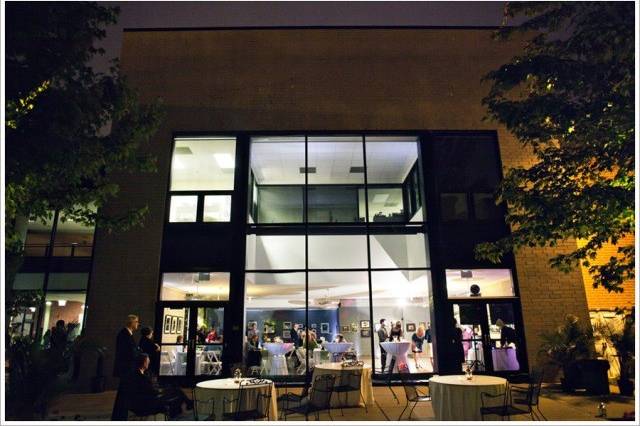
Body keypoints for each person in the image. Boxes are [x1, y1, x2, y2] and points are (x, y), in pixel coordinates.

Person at [119, 353, 193, 419]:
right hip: (147, 403)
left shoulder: (136, 374)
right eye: (147, 361)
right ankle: (182, 409)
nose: (149, 363)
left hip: (144, 400)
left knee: (176, 391)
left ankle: (183, 407)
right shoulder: (141, 377)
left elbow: (149, 389)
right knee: (176, 392)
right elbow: (152, 391)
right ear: (143, 363)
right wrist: (162, 390)